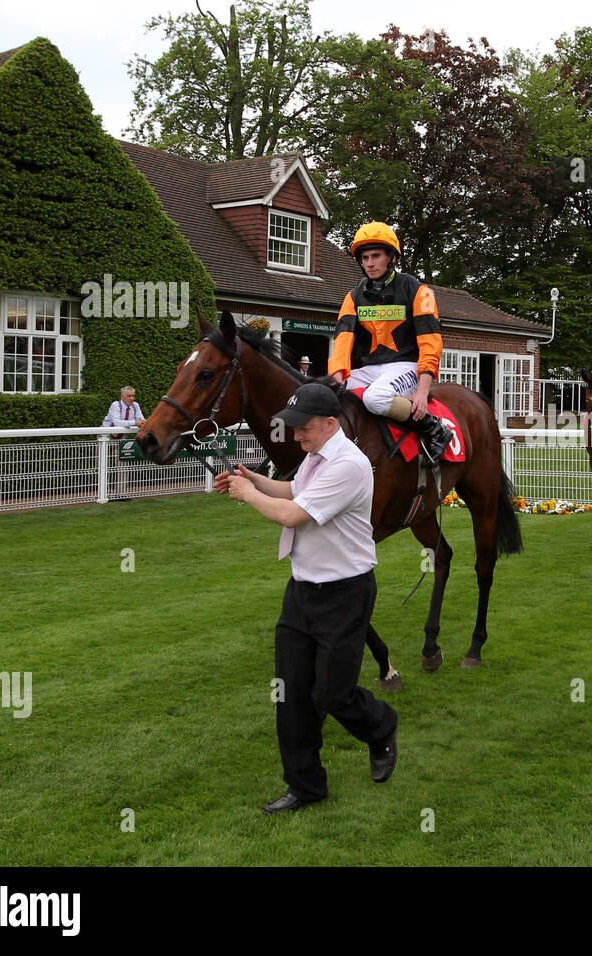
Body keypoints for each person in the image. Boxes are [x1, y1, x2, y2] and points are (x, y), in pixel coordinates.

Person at [215, 381, 398, 813]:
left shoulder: (349, 465)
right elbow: (295, 492)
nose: (296, 436)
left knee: (333, 694)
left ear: (331, 424)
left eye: (303, 428)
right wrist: (252, 479)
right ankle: (305, 787)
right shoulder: (317, 457)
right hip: (302, 591)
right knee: (292, 693)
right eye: (294, 428)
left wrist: (249, 496)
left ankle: (381, 726)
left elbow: (293, 514)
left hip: (345, 594)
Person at [328, 221, 451, 462]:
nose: (370, 263)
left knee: (375, 398)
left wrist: (423, 391)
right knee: (325, 395)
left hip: (406, 366)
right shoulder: (353, 296)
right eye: (365, 257)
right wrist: (336, 379)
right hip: (367, 369)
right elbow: (342, 341)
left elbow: (430, 343)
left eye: (376, 256)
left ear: (391, 257)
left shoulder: (418, 291)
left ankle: (433, 427)